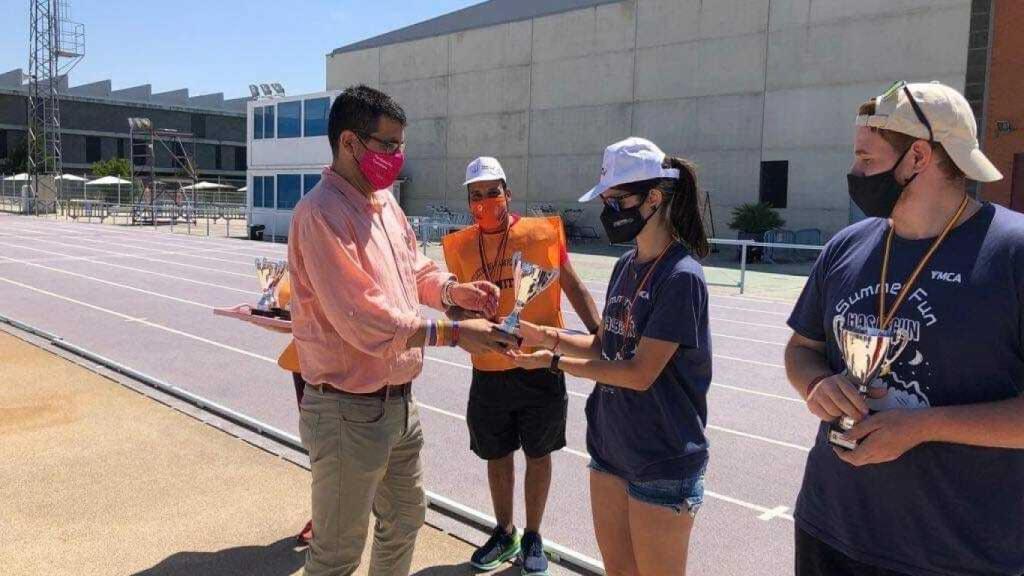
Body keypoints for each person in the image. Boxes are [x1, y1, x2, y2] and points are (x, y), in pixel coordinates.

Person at [784, 81, 1024, 576]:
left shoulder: (1013, 253)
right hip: (829, 527)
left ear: (918, 157)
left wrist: (922, 427)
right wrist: (816, 383)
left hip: (954, 554)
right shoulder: (846, 246)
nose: (854, 173)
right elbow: (801, 348)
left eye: (865, 159)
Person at [287, 85, 517, 576]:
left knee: (406, 518)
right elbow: (363, 318)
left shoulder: (385, 206)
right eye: (388, 144)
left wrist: (454, 292)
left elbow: (416, 271)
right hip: (347, 410)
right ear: (349, 143)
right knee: (337, 553)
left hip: (398, 405)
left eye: (400, 145)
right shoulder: (320, 214)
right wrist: (455, 334)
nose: (397, 156)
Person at [510, 137, 712, 576]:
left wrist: (552, 362)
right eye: (605, 202)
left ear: (654, 198)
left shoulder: (682, 277)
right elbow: (606, 345)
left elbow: (639, 373)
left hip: (661, 458)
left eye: (617, 201)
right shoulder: (626, 266)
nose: (609, 212)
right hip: (610, 448)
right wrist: (544, 336)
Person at [441, 157, 601, 575]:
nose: (485, 201)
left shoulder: (540, 235)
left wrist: (602, 337)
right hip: (488, 371)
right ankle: (504, 531)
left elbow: (573, 285)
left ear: (508, 194)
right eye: (476, 195)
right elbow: (453, 306)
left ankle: (533, 535)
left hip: (539, 367)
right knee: (496, 454)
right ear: (469, 201)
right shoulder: (459, 246)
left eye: (493, 192)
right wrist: (465, 320)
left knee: (538, 453)